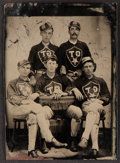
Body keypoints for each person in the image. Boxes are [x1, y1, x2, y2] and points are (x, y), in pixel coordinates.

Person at [7, 59, 66, 158]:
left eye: (28, 68)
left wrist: (36, 93)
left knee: (33, 117)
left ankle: (31, 149)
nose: (25, 70)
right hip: (18, 109)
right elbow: (12, 97)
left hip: (31, 110)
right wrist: (24, 100)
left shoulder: (32, 83)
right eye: (23, 68)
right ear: (18, 69)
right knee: (38, 108)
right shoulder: (12, 83)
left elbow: (39, 92)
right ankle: (50, 138)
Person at [35, 55, 83, 152]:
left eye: (53, 63)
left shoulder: (62, 78)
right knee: (42, 113)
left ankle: (73, 139)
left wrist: (63, 93)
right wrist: (50, 96)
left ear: (57, 65)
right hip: (50, 108)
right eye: (49, 63)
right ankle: (44, 141)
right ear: (45, 65)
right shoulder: (41, 79)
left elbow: (71, 88)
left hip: (64, 108)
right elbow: (38, 93)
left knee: (77, 112)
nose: (52, 66)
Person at [70, 56, 110, 158]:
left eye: (90, 66)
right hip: (87, 108)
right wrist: (75, 89)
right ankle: (95, 147)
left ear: (94, 67)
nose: (88, 68)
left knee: (94, 108)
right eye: (86, 67)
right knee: (93, 113)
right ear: (82, 69)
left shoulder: (100, 80)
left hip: (99, 106)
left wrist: (99, 100)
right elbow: (70, 87)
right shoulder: (79, 81)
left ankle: (85, 137)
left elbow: (107, 96)